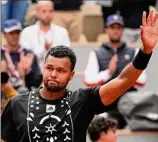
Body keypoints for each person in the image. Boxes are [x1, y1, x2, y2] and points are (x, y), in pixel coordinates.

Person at [1, 10, 158, 142]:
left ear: (71, 75)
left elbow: (124, 80)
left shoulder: (82, 100)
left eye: (61, 70)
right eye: (49, 68)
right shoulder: (17, 104)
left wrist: (145, 51)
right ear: (44, 68)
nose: (53, 74)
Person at [84, 14, 147, 128]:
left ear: (123, 30)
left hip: (128, 101)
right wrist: (108, 72)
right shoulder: (96, 53)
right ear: (106, 30)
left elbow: (142, 80)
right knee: (100, 121)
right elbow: (88, 80)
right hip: (105, 100)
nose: (116, 31)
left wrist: (128, 71)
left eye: (119, 28)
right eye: (112, 27)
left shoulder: (134, 52)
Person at [20, 0, 70, 68]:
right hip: (33, 73)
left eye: (50, 11)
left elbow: (67, 56)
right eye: (44, 11)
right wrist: (43, 49)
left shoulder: (62, 32)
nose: (48, 14)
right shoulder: (27, 32)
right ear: (37, 13)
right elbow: (25, 56)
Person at [1, 19, 42, 92]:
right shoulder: (1, 54)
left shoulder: (29, 54)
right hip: (3, 93)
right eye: (11, 33)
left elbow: (36, 83)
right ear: (4, 34)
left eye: (17, 32)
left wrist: (27, 71)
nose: (15, 36)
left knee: (23, 91)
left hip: (23, 93)